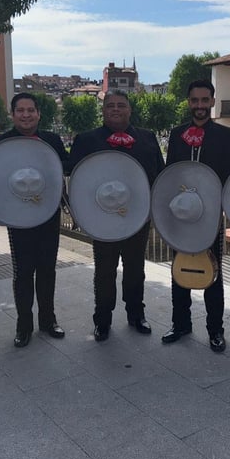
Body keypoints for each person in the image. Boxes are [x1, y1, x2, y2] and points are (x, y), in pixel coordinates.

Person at [69, 90, 165, 342]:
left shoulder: (147, 138)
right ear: (103, 110)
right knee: (104, 270)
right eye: (110, 105)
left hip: (138, 217)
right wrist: (81, 214)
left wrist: (153, 211)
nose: (115, 109)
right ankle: (102, 320)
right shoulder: (86, 140)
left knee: (136, 269)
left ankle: (136, 314)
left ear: (130, 109)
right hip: (100, 217)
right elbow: (75, 181)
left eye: (121, 105)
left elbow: (159, 176)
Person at [161, 80, 230, 352]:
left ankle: (215, 330)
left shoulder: (228, 136)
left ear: (213, 102)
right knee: (178, 271)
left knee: (213, 274)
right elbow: (170, 173)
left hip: (210, 217)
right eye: (195, 100)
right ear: (188, 102)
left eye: (205, 100)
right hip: (181, 216)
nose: (200, 106)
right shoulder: (177, 133)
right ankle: (180, 324)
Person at [0, 94, 68, 347]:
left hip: (48, 213)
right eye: (20, 110)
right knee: (22, 272)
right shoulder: (1, 142)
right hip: (16, 214)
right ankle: (24, 325)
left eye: (30, 110)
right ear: (12, 114)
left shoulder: (52, 140)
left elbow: (65, 171)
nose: (26, 115)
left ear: (38, 113)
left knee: (47, 270)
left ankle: (48, 319)